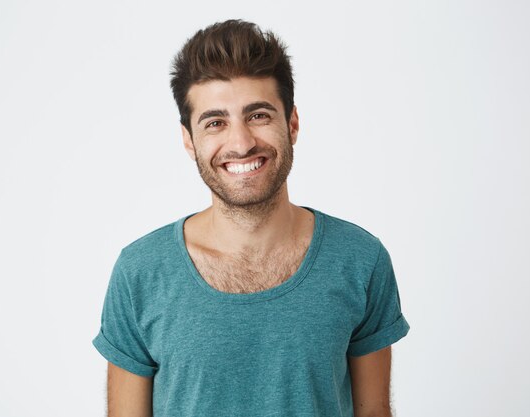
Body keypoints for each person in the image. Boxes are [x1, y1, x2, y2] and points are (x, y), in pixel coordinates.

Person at [93, 19, 409, 417]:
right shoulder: (140, 271)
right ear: (189, 139)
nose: (241, 143)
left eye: (258, 115)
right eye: (215, 122)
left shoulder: (361, 260)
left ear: (291, 123)